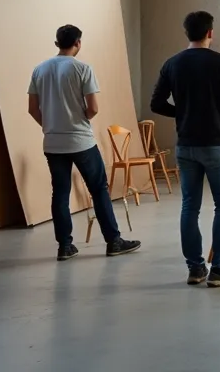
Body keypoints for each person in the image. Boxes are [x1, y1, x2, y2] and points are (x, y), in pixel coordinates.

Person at [150, 11, 220, 288]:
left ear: (187, 33)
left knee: (189, 207)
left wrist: (182, 112)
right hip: (217, 143)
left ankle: (195, 269)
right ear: (210, 33)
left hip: (186, 145)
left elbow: (156, 103)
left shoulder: (172, 64)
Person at [27, 25, 141, 262]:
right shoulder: (82, 68)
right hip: (81, 141)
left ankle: (65, 247)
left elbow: (32, 109)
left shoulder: (39, 70)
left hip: (53, 143)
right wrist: (79, 120)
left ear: (57, 42)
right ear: (78, 43)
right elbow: (94, 108)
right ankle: (113, 241)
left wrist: (49, 125)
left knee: (59, 192)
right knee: (98, 189)